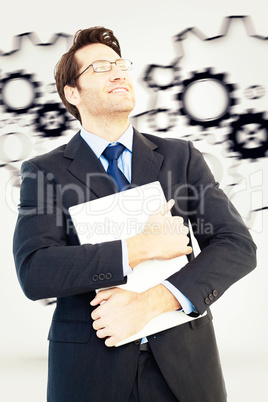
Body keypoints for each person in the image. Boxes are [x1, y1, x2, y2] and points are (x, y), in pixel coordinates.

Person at [13, 27, 257, 402]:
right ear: (72, 93)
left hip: (185, 369)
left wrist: (154, 301)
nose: (118, 73)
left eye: (120, 64)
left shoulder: (181, 157)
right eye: (99, 67)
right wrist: (137, 247)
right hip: (89, 370)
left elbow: (237, 245)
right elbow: (34, 270)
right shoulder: (44, 172)